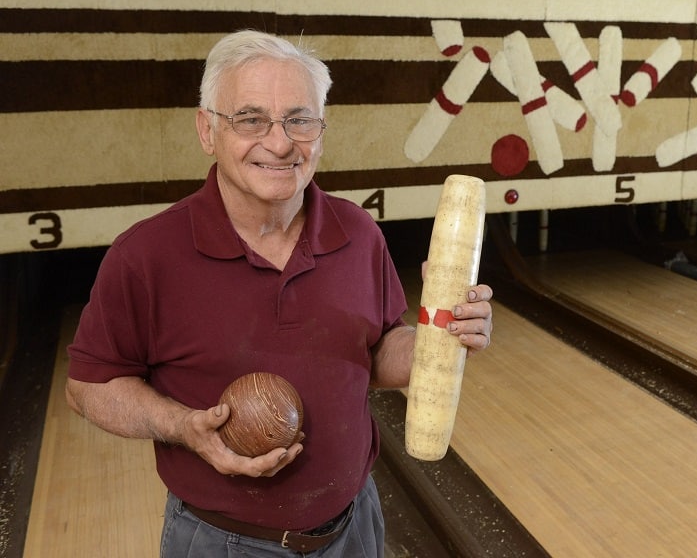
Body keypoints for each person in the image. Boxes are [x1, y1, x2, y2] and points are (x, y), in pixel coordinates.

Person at [65, 29, 493, 557]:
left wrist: (443, 331)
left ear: (321, 129)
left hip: (355, 527)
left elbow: (379, 352)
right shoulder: (145, 256)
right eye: (250, 119)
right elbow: (89, 386)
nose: (280, 142)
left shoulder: (358, 233)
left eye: (300, 119)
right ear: (207, 130)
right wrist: (183, 426)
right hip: (221, 542)